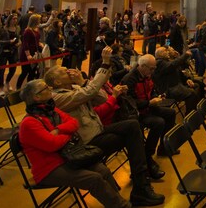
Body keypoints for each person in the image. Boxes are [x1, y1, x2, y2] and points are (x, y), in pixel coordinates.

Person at [44, 56, 165, 205]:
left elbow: (102, 97)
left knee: (133, 125)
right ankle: (142, 185)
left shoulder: (76, 87)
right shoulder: (57, 98)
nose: (70, 71)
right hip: (86, 142)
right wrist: (104, 64)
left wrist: (82, 82)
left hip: (99, 130)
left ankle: (141, 183)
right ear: (57, 82)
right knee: (133, 136)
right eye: (64, 72)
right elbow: (89, 93)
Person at [17, 80, 132, 208]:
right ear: (36, 97)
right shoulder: (29, 123)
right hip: (49, 169)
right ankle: (121, 206)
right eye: (45, 88)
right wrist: (68, 133)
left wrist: (59, 130)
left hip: (68, 157)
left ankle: (116, 202)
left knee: (102, 170)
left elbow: (74, 123)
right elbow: (52, 144)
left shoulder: (52, 109)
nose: (49, 88)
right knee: (94, 179)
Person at [122, 54, 177, 162]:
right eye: (151, 69)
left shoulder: (147, 74)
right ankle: (147, 155)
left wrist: (156, 97)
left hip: (148, 107)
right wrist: (149, 103)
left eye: (154, 68)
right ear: (142, 66)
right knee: (159, 122)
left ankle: (163, 147)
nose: (153, 71)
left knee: (171, 113)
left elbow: (152, 90)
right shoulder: (129, 79)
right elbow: (130, 103)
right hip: (136, 113)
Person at [153, 46, 203, 112]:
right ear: (160, 54)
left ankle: (196, 110)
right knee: (191, 94)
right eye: (165, 51)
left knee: (196, 85)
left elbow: (179, 71)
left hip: (177, 85)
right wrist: (185, 55)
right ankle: (190, 115)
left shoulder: (166, 61)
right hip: (169, 90)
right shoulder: (159, 63)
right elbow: (172, 65)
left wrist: (187, 79)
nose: (167, 52)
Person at [17, 14, 43, 89]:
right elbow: (25, 44)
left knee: (32, 73)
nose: (40, 21)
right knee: (24, 72)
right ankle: (18, 87)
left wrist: (40, 44)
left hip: (34, 53)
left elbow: (36, 40)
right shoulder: (27, 31)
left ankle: (29, 88)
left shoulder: (36, 30)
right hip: (26, 55)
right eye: (38, 20)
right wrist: (28, 55)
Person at [0, 13, 20, 94]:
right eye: (13, 18)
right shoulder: (4, 29)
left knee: (13, 69)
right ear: (9, 20)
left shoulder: (17, 28)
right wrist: (8, 42)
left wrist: (19, 43)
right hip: (3, 51)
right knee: (1, 70)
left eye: (16, 18)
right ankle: (1, 87)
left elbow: (19, 38)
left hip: (13, 51)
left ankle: (7, 81)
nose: (15, 20)